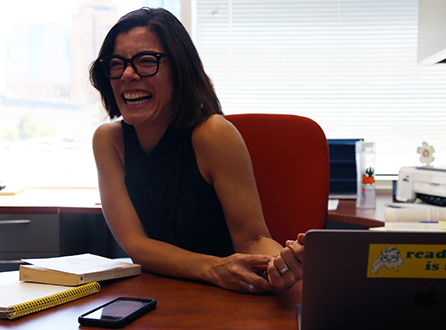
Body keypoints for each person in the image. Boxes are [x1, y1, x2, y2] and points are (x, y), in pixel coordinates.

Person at [89, 7, 304, 294]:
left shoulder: (213, 134)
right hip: (155, 294)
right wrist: (214, 268)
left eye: (146, 61)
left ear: (180, 69)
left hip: (226, 298)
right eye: (117, 63)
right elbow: (136, 244)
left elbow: (253, 239)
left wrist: (280, 265)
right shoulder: (109, 141)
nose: (128, 74)